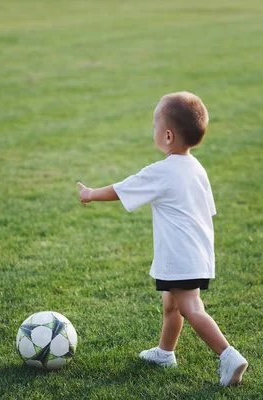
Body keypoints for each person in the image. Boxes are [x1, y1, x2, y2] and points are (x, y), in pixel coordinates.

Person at [76, 91, 248, 387]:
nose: (152, 131)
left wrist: (91, 194)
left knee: (191, 307)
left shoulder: (162, 171)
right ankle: (165, 353)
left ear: (167, 136)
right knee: (172, 304)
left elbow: (122, 188)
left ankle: (228, 355)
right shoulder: (197, 168)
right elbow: (208, 210)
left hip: (180, 256)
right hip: (198, 251)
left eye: (155, 126)